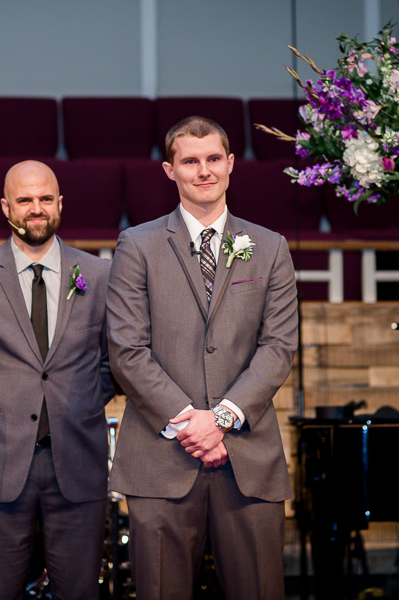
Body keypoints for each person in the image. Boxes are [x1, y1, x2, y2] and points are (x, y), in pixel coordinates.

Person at [106, 116, 298, 600]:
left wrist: (225, 418)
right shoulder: (138, 245)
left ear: (231, 164)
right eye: (190, 161)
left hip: (248, 458)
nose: (204, 171)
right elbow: (127, 349)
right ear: (170, 171)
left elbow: (278, 346)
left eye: (213, 159)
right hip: (162, 455)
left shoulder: (270, 248)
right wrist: (192, 422)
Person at [0, 160, 115, 599]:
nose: (37, 208)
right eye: (25, 200)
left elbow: (114, 361)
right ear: (6, 207)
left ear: (60, 204)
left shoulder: (101, 275)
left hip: (78, 459)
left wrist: (83, 402)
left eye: (46, 199)